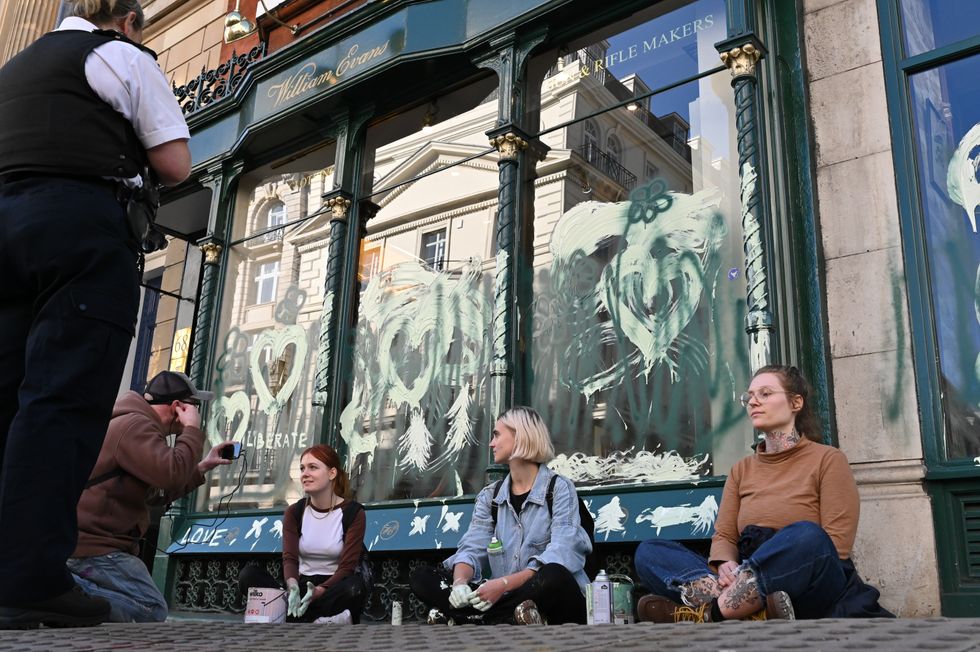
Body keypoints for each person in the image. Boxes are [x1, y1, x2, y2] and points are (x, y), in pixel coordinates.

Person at [0, 0, 191, 629]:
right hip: (82, 230)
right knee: (63, 401)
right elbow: (175, 162)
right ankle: (27, 579)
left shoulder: (15, 68)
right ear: (131, 20)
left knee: (9, 400)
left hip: (6, 224)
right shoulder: (119, 56)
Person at [633, 365, 893, 622]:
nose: (754, 401)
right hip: (748, 576)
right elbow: (724, 535)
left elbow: (837, 546)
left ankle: (711, 613)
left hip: (807, 577)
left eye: (766, 394)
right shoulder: (742, 469)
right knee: (650, 552)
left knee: (807, 535)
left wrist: (756, 571)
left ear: (796, 402)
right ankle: (756, 611)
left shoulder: (828, 459)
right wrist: (726, 564)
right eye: (750, 396)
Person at [67, 371, 233, 622]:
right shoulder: (136, 427)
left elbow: (155, 493)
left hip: (97, 544)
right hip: (96, 547)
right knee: (150, 609)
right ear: (178, 407)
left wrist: (201, 467)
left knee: (145, 608)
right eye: (193, 405)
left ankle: (69, 593)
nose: (196, 412)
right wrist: (191, 429)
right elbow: (170, 475)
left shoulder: (137, 425)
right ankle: (66, 590)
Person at [410, 406, 591, 625]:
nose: (491, 443)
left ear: (520, 436)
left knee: (554, 575)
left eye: (497, 434)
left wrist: (504, 584)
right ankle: (507, 616)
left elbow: (563, 551)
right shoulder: (490, 496)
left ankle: (473, 619)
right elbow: (472, 548)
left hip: (544, 593)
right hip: (505, 598)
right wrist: (459, 583)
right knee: (422, 577)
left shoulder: (560, 488)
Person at [238, 444, 369, 625]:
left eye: (313, 467)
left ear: (332, 473)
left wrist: (320, 591)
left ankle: (296, 616)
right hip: (301, 586)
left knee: (354, 588)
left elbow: (347, 567)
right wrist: (292, 586)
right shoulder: (295, 512)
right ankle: (320, 618)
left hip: (332, 586)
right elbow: (290, 558)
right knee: (249, 575)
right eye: (302, 468)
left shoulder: (353, 513)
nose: (304, 474)